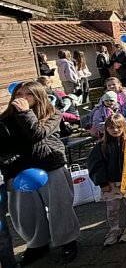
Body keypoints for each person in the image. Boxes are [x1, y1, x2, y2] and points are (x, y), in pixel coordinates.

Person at [0, 81, 80, 265]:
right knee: (25, 212)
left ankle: (67, 241)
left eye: (28, 94)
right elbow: (3, 150)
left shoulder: (52, 114)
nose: (22, 98)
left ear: (38, 97)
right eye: (19, 94)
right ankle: (37, 244)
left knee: (60, 207)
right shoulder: (5, 120)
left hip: (51, 165)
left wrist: (25, 113)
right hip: (21, 172)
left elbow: (37, 134)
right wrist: (9, 175)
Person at [87, 114, 126, 246]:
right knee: (112, 207)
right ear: (106, 129)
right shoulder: (101, 146)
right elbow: (95, 164)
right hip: (110, 183)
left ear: (124, 127)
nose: (115, 130)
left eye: (118, 127)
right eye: (111, 128)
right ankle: (114, 228)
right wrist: (102, 182)